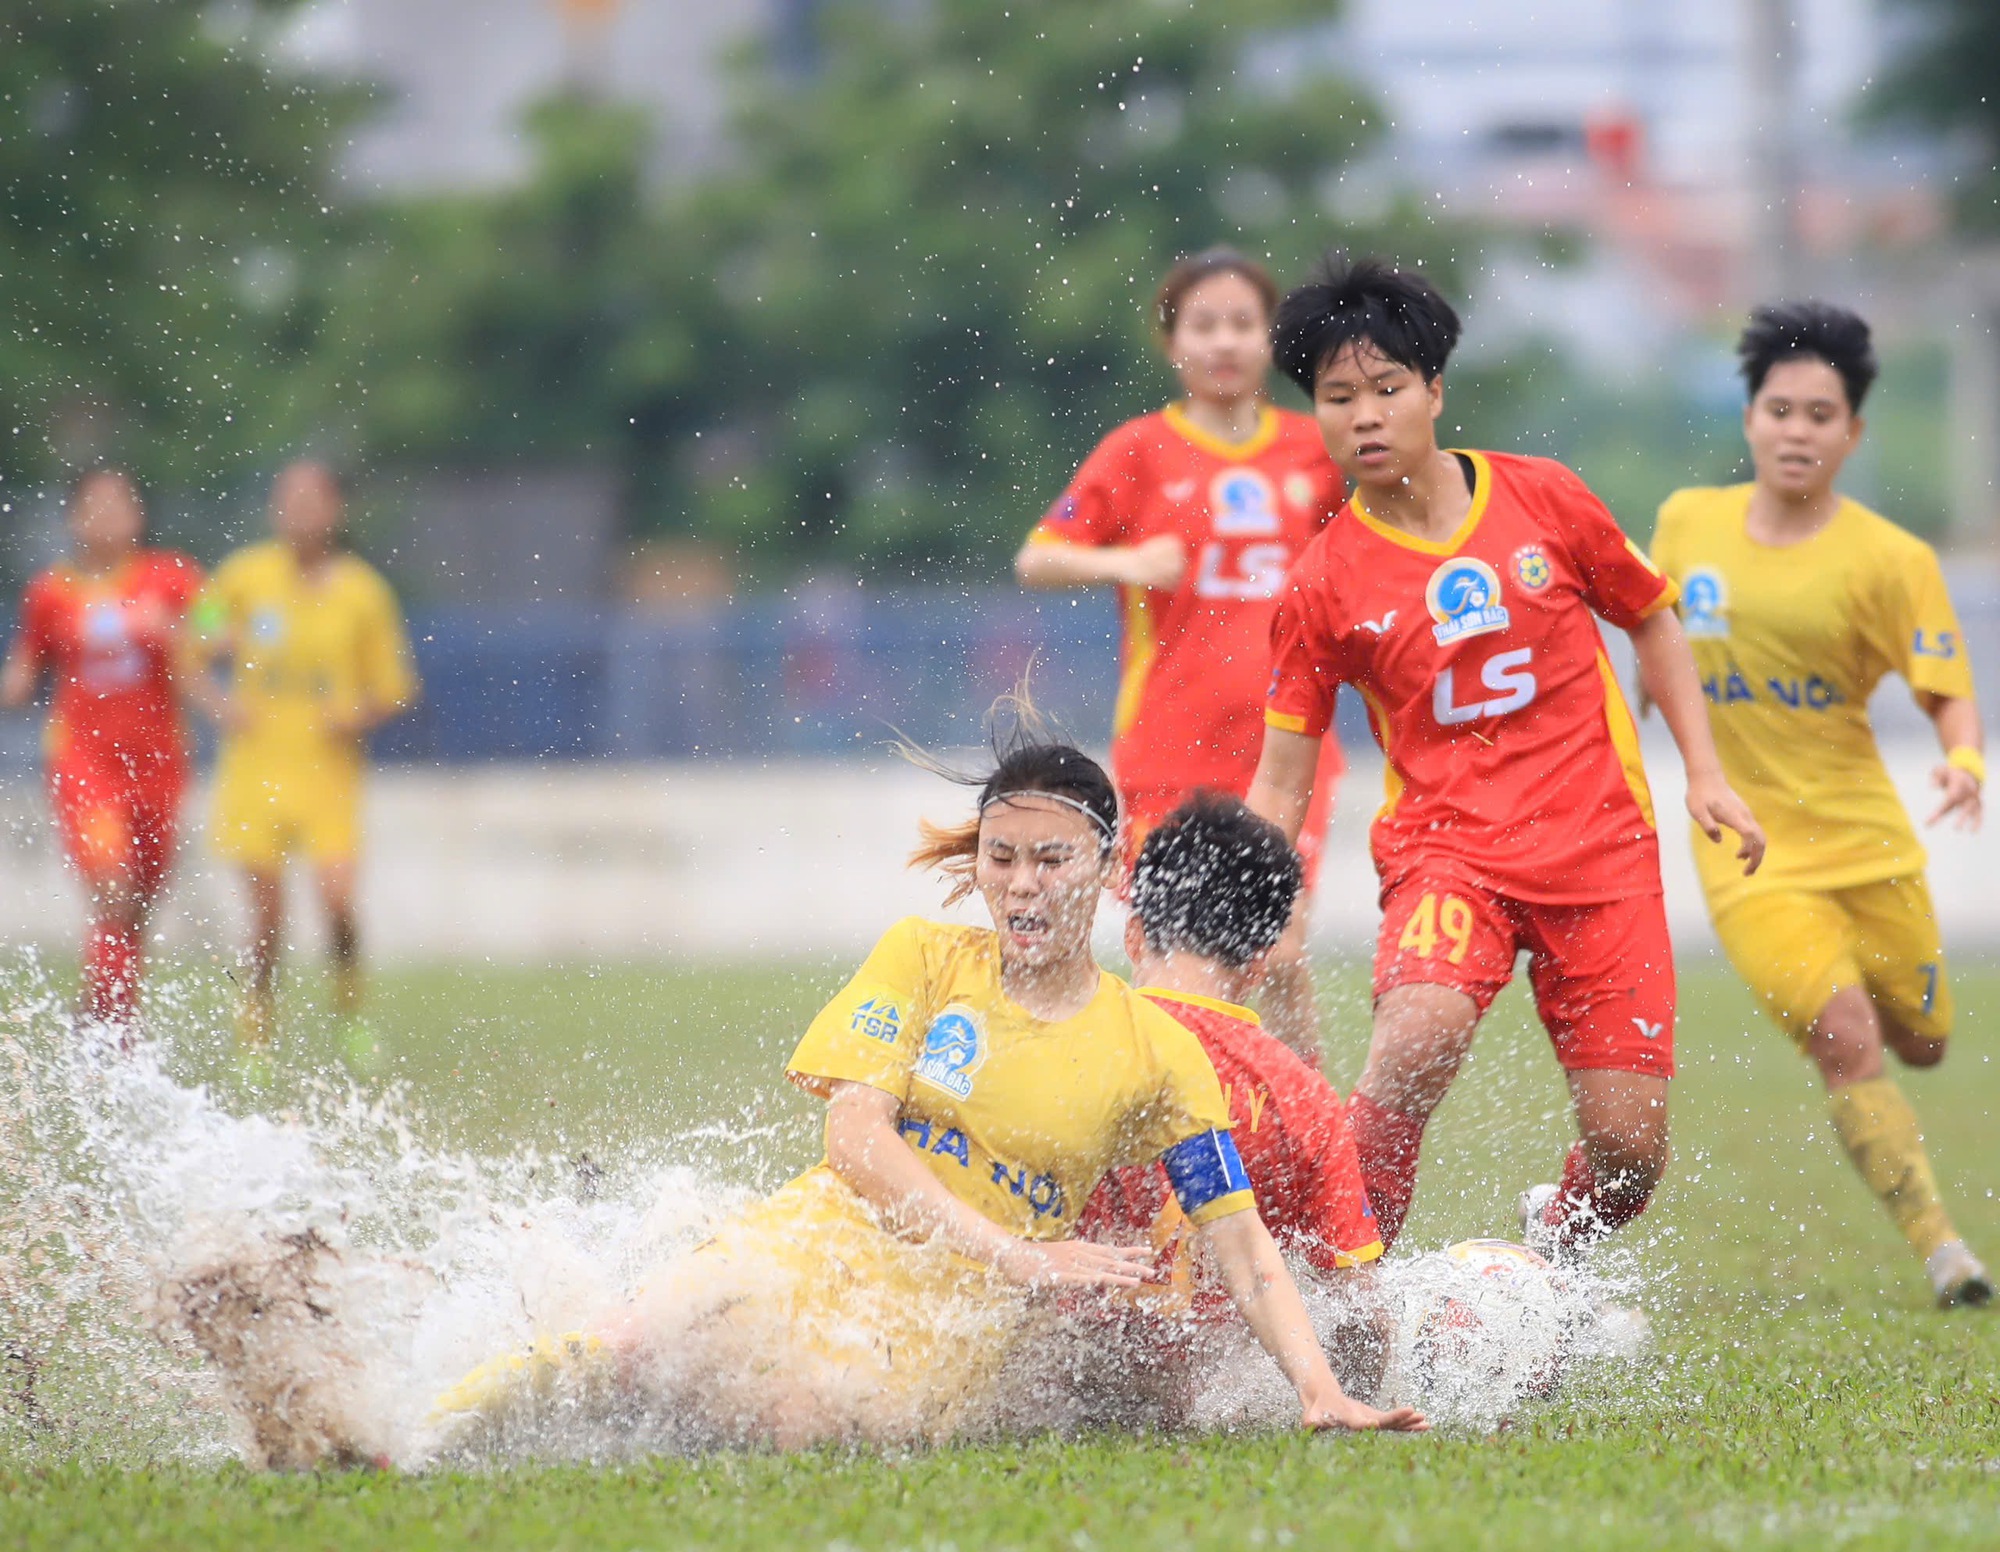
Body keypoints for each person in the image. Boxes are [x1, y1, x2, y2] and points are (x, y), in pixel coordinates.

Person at [437, 721, 1426, 1445]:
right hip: (821, 1237)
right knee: (617, 1351)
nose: (1022, 883)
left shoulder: (1153, 1051)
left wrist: (1316, 1387)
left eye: (1050, 858)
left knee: (795, 1426)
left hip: (950, 1323)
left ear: (1106, 871)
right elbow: (854, 1142)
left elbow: (1242, 1242)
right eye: (1001, 857)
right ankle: (396, 1434)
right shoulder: (920, 957)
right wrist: (1020, 1254)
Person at [1243, 257, 1765, 1261]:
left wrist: (1703, 772)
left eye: (1386, 388)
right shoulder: (1320, 585)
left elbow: (1650, 615)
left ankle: (1551, 1250)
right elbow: (1278, 774)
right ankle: (1337, 1282)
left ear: (1433, 389)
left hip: (1600, 854)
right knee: (1415, 1038)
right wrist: (1255, 903)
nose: (1363, 415)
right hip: (1450, 856)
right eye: (1336, 397)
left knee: (1627, 1154)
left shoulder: (1544, 500)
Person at [1650, 302, 1990, 1307]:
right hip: (1744, 848)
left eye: (1818, 414)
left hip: (1865, 838)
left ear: (1852, 432)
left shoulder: (1890, 559)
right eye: (1777, 408)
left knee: (1921, 1042)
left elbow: (1943, 683)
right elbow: (1645, 659)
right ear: (1748, 417)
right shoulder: (1683, 525)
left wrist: (1963, 758)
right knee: (1844, 1034)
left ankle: (1902, 1078)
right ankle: (1943, 1251)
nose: (1794, 430)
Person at [1014, 248, 1347, 1065]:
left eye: (1244, 323)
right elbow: (1038, 558)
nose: (1225, 341)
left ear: (1271, 339)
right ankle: (1176, 1137)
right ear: (1172, 342)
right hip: (1168, 754)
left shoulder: (1316, 450)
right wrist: (1121, 562)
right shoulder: (1138, 450)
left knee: (1279, 952)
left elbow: (1377, 556)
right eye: (1205, 324)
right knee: (1172, 967)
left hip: (1289, 747)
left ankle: (1306, 1143)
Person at [1074, 791, 1388, 1417]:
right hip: (1199, 1397)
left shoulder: (1069, 1040)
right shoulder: (1304, 1097)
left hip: (1066, 1378)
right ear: (1259, 966)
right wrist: (1355, 1392)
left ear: (1135, 934)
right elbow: (1363, 1318)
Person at [186, 460, 417, 1067]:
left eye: (312, 500)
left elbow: (395, 688)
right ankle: (255, 1036)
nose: (299, 511)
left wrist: (357, 714)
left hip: (327, 777)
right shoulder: (242, 578)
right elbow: (193, 642)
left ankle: (352, 1016)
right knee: (266, 915)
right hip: (255, 772)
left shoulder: (364, 593)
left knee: (337, 900)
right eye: (288, 499)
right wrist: (219, 703)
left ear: (336, 510)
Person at [1, 469, 202, 1029]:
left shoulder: (170, 576)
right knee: (112, 888)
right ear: (75, 517)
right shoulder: (50, 593)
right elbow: (22, 671)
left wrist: (176, 630)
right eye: (96, 506)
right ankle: (113, 1039)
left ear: (139, 514)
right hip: (85, 764)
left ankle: (100, 1016)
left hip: (160, 765)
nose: (109, 516)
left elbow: (220, 625)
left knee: (136, 907)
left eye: (120, 504)